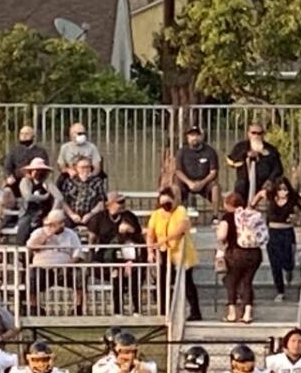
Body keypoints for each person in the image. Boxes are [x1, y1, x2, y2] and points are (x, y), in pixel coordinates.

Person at [147, 185, 201, 320]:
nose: (165, 206)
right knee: (162, 281)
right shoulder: (156, 215)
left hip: (181, 252)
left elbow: (181, 228)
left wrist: (164, 240)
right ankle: (164, 310)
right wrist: (150, 251)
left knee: (187, 282)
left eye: (168, 203)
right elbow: (150, 234)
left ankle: (195, 312)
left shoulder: (180, 211)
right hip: (164, 252)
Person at [89, 192, 144, 316]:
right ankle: (118, 310)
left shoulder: (129, 216)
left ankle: (137, 309)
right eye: (119, 202)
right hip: (108, 257)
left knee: (133, 272)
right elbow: (92, 239)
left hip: (128, 254)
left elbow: (138, 236)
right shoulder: (99, 218)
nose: (122, 205)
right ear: (109, 204)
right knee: (116, 274)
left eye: (123, 202)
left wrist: (130, 230)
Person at [217, 192, 264, 324]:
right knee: (247, 282)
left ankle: (232, 313)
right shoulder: (250, 214)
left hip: (236, 253)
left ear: (228, 204)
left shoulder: (228, 217)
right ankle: (248, 313)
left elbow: (221, 235)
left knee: (232, 281)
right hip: (254, 253)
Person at [27, 209, 85, 315]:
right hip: (42, 268)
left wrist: (69, 264)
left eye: (54, 224)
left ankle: (78, 306)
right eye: (50, 223)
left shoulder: (71, 234)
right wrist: (46, 236)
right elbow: (30, 247)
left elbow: (78, 252)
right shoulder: (39, 232)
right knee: (32, 276)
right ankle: (34, 306)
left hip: (65, 268)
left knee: (79, 274)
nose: (51, 226)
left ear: (62, 223)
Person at [227, 121, 283, 200]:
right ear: (248, 134)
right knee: (240, 187)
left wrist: (270, 180)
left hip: (265, 181)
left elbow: (278, 168)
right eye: (253, 133)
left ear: (263, 134)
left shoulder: (271, 149)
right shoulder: (240, 147)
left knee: (271, 189)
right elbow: (231, 162)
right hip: (245, 181)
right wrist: (245, 155)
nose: (256, 136)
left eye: (259, 133)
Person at [173, 125, 220, 211]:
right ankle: (177, 215)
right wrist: (189, 183)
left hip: (204, 183)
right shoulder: (181, 152)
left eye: (196, 135)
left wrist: (202, 183)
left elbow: (213, 172)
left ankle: (215, 216)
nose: (194, 138)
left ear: (201, 136)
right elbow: (178, 171)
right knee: (175, 188)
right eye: (191, 135)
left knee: (215, 187)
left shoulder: (210, 151)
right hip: (186, 183)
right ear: (187, 137)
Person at [17, 157, 64, 241]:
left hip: (44, 212)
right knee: (23, 225)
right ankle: (22, 250)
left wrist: (52, 213)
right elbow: (28, 197)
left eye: (40, 170)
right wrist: (45, 197)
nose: (37, 173)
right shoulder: (25, 181)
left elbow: (59, 197)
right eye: (35, 170)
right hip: (28, 212)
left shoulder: (47, 182)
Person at [59, 157, 107, 229]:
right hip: (72, 214)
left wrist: (90, 214)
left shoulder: (97, 182)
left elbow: (101, 202)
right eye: (82, 167)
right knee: (62, 224)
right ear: (76, 168)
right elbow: (63, 201)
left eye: (88, 167)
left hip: (91, 214)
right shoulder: (69, 181)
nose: (85, 170)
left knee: (96, 224)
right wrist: (72, 215)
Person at [2, 125, 49, 190]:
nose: (23, 136)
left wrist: (34, 176)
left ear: (33, 136)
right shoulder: (14, 151)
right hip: (16, 180)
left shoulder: (40, 152)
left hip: (35, 180)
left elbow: (45, 169)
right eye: (21, 134)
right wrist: (9, 176)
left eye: (27, 134)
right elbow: (7, 166)